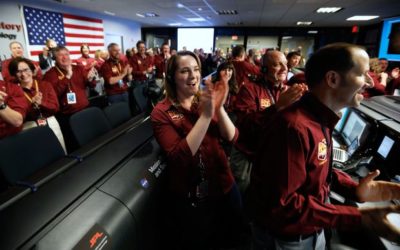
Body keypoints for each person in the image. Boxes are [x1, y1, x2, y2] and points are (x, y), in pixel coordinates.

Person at [249, 43, 400, 250]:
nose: (370, 81)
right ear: (332, 79)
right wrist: (359, 217)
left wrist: (355, 189)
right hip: (288, 240)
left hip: (309, 231)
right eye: (363, 74)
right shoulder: (293, 128)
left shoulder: (320, 119)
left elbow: (315, 171)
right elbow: (284, 206)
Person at [151, 51, 242, 249]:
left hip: (225, 182)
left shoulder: (204, 98)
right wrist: (207, 115)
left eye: (196, 69)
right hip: (193, 196)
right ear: (171, 77)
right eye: (185, 71)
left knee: (235, 236)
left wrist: (218, 108)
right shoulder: (161, 112)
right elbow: (178, 157)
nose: (193, 76)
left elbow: (232, 136)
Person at [43, 46, 97, 152]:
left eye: (66, 54)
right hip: (67, 116)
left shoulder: (78, 68)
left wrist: (91, 79)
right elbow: (53, 95)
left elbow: (91, 85)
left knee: (90, 139)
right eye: (60, 55)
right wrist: (67, 76)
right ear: (54, 58)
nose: (65, 57)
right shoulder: (50, 75)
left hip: (85, 110)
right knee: (75, 144)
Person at [9, 57, 59, 123]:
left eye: (26, 70)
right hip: (30, 125)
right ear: (14, 74)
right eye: (18, 71)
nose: (23, 74)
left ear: (32, 70)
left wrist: (41, 103)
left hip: (51, 121)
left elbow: (55, 108)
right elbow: (20, 117)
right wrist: (33, 106)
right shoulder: (13, 91)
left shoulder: (45, 85)